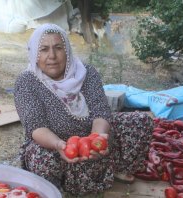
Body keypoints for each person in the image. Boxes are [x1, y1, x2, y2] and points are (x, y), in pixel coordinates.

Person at [14, 23, 153, 196]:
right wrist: (59, 145)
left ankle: (117, 168)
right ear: (34, 53)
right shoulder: (27, 82)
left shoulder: (86, 72)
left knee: (140, 121)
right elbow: (35, 126)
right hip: (54, 143)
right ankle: (56, 189)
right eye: (43, 49)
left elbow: (100, 111)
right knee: (43, 159)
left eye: (58, 47)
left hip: (90, 136)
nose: (52, 56)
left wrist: (97, 137)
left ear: (67, 50)